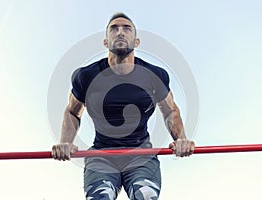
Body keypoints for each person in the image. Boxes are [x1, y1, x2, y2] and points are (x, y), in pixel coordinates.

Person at [52, 12, 195, 200]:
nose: (120, 33)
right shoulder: (86, 76)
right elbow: (72, 111)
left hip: (141, 155)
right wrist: (66, 143)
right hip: (101, 156)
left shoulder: (155, 75)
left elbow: (170, 111)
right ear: (106, 41)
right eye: (114, 29)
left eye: (127, 29)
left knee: (145, 196)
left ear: (136, 41)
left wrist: (181, 139)